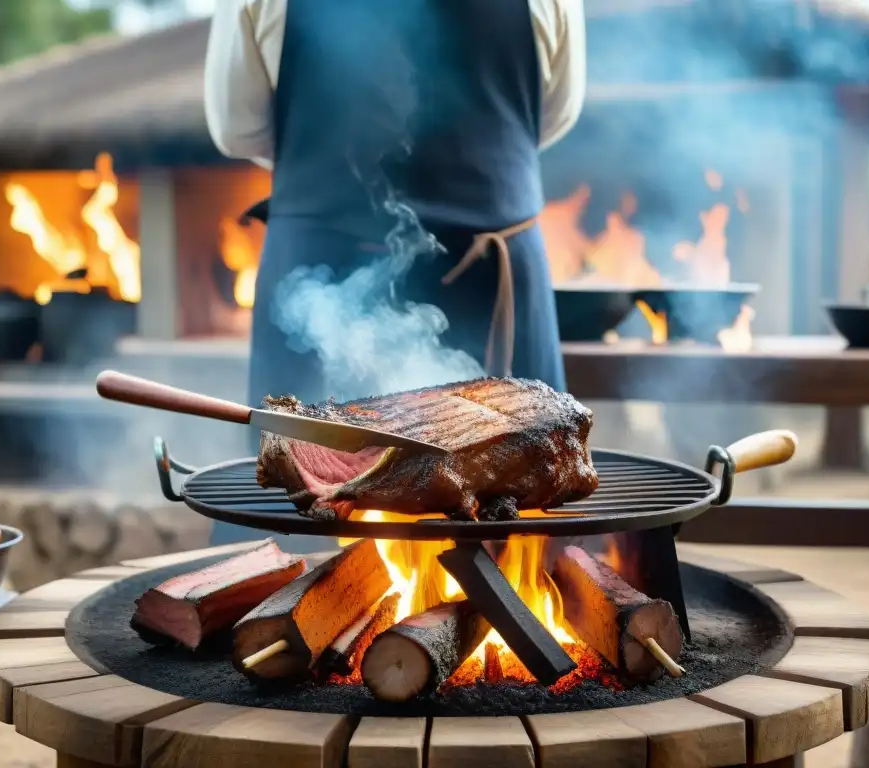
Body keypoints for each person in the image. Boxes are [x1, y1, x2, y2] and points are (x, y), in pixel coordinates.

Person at [204, 0, 586, 546]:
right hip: (380, 279)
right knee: (307, 495)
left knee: (295, 544)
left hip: (327, 258)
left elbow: (237, 128)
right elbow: (555, 114)